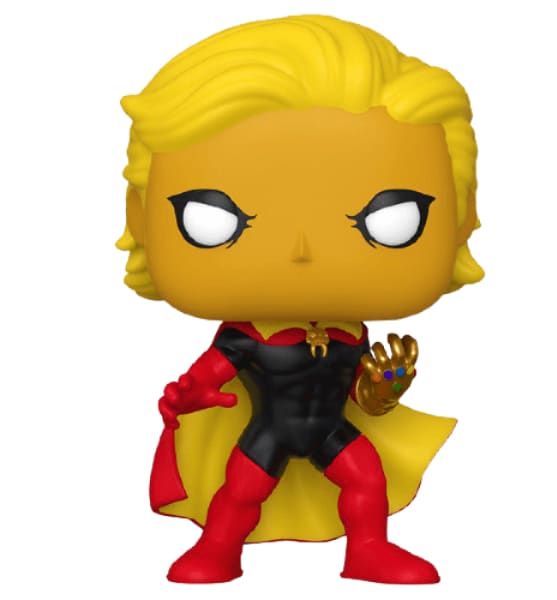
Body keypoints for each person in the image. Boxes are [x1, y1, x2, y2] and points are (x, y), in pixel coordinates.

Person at [118, 14, 483, 585]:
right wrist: (193, 395)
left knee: (367, 480)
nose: (302, 251)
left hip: (330, 428)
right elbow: (207, 376)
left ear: (463, 217)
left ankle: (369, 551)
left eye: (392, 221)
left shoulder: (350, 334)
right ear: (141, 219)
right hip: (269, 431)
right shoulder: (246, 338)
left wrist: (383, 390)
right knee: (241, 493)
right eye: (212, 221)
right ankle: (217, 549)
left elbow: (361, 394)